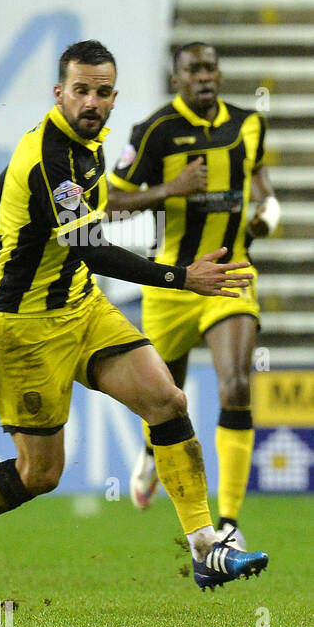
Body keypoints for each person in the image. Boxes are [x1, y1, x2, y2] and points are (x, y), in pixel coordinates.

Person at [0, 40, 269, 595]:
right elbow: (91, 248)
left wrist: (16, 217)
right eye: (80, 91)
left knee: (167, 401)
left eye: (101, 91)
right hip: (25, 329)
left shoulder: (87, 143)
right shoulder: (52, 154)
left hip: (82, 306)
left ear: (114, 96)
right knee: (39, 474)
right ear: (59, 93)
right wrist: (180, 276)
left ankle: (205, 547)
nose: (91, 101)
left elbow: (8, 181)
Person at [106, 42, 278, 550]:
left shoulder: (248, 124)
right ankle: (150, 458)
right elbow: (110, 203)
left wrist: (268, 213)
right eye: (193, 69)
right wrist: (170, 189)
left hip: (230, 273)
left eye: (211, 67)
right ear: (175, 77)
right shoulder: (154, 132)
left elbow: (262, 186)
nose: (204, 76)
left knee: (237, 385)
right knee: (164, 401)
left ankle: (227, 521)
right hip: (173, 282)